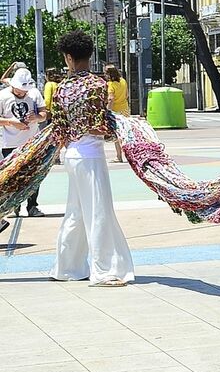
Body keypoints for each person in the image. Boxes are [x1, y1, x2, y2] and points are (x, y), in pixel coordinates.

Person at [50, 30, 135, 286]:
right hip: (91, 155)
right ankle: (105, 270)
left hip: (72, 155)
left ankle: (67, 267)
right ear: (89, 55)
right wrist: (122, 128)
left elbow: (60, 130)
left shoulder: (61, 89)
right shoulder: (98, 85)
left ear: (68, 57)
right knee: (98, 211)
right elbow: (101, 127)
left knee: (75, 212)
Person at [0, 68, 47, 223]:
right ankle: (15, 203)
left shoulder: (34, 94)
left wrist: (37, 117)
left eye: (25, 91)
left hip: (32, 141)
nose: (23, 93)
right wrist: (11, 122)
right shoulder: (3, 96)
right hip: (10, 143)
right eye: (20, 91)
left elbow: (44, 114)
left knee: (33, 174)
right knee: (13, 176)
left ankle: (32, 205)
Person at [104, 65, 129, 163]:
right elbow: (127, 95)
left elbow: (111, 99)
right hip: (125, 110)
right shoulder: (123, 81)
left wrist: (107, 111)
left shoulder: (111, 84)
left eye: (106, 73)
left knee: (116, 135)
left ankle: (119, 157)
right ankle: (128, 155)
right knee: (124, 134)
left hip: (115, 111)